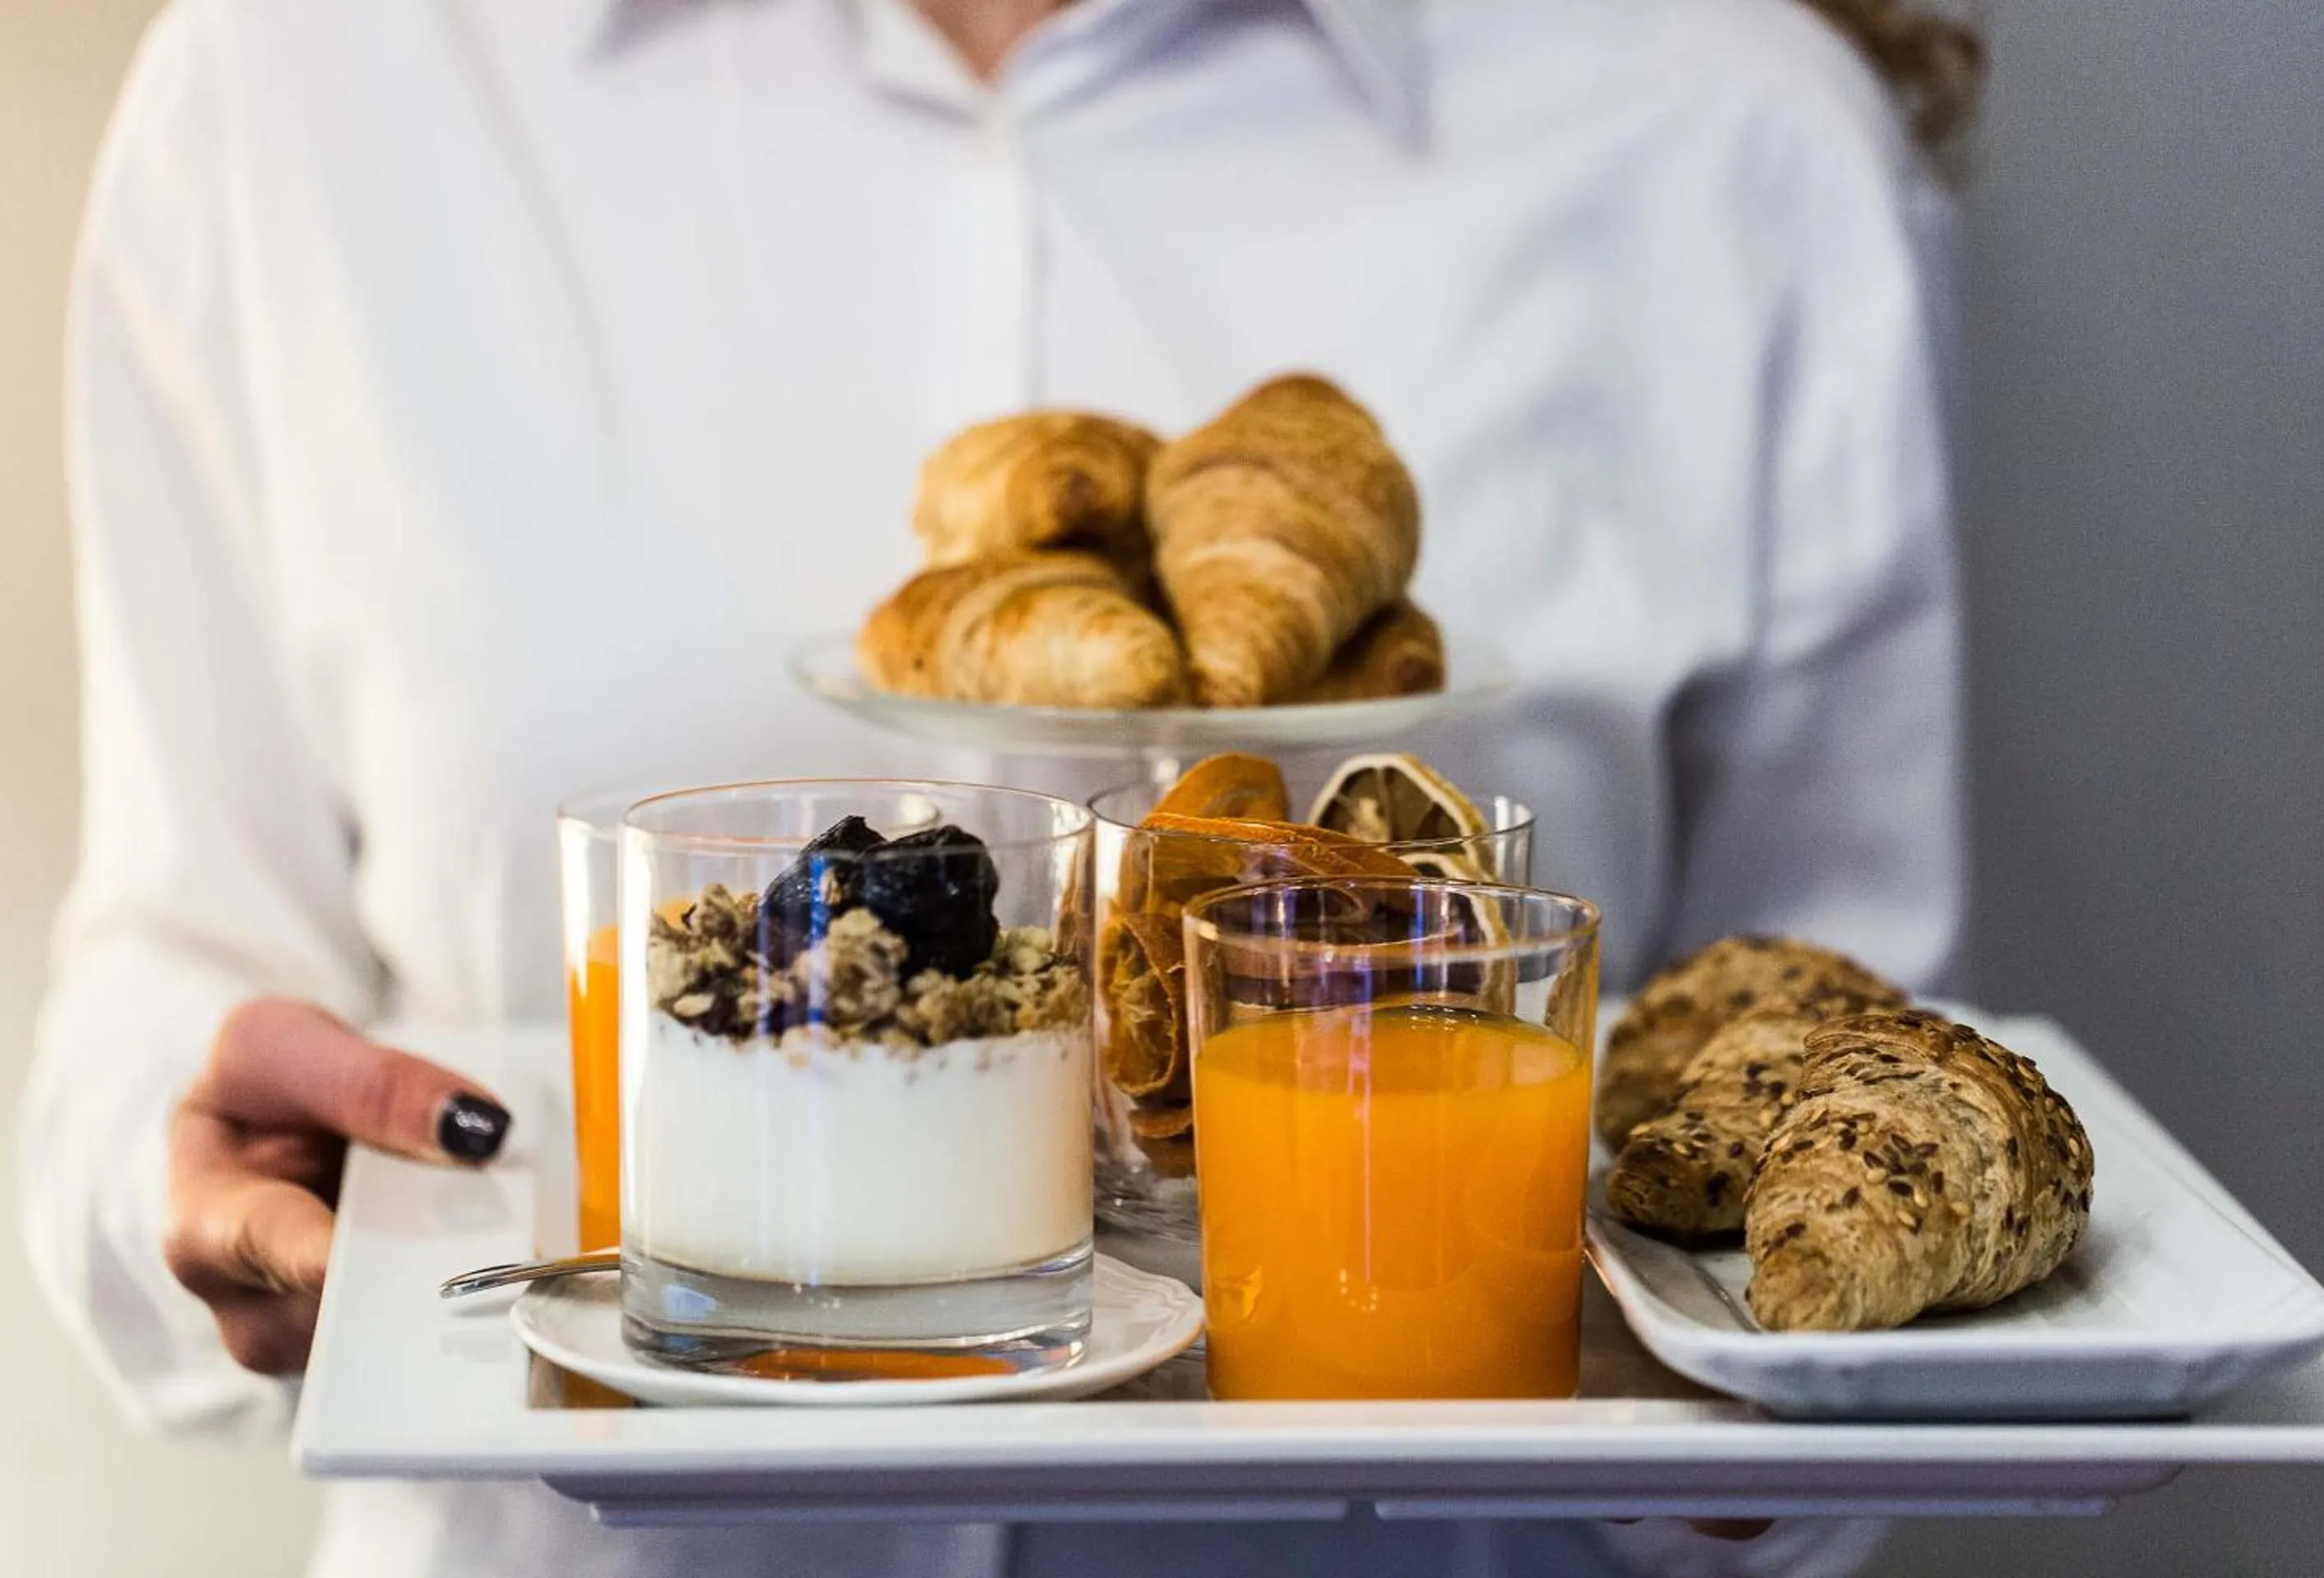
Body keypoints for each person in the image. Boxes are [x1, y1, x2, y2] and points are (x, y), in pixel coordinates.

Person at [20, 0, 1974, 1573]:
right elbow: (163, 971)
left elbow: (1842, 1091)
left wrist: (1748, 1407)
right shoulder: (303, 77)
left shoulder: (1733, 130)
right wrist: (187, 1177)